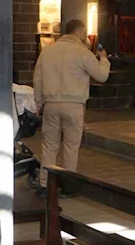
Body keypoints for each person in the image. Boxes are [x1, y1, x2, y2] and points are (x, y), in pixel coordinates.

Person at [33, 19, 110, 198]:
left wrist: (38, 102)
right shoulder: (82, 53)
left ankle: (45, 186)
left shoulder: (47, 51)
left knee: (49, 146)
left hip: (51, 105)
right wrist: (104, 59)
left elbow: (37, 79)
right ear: (80, 32)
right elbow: (102, 76)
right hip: (74, 106)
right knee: (71, 147)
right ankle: (68, 187)